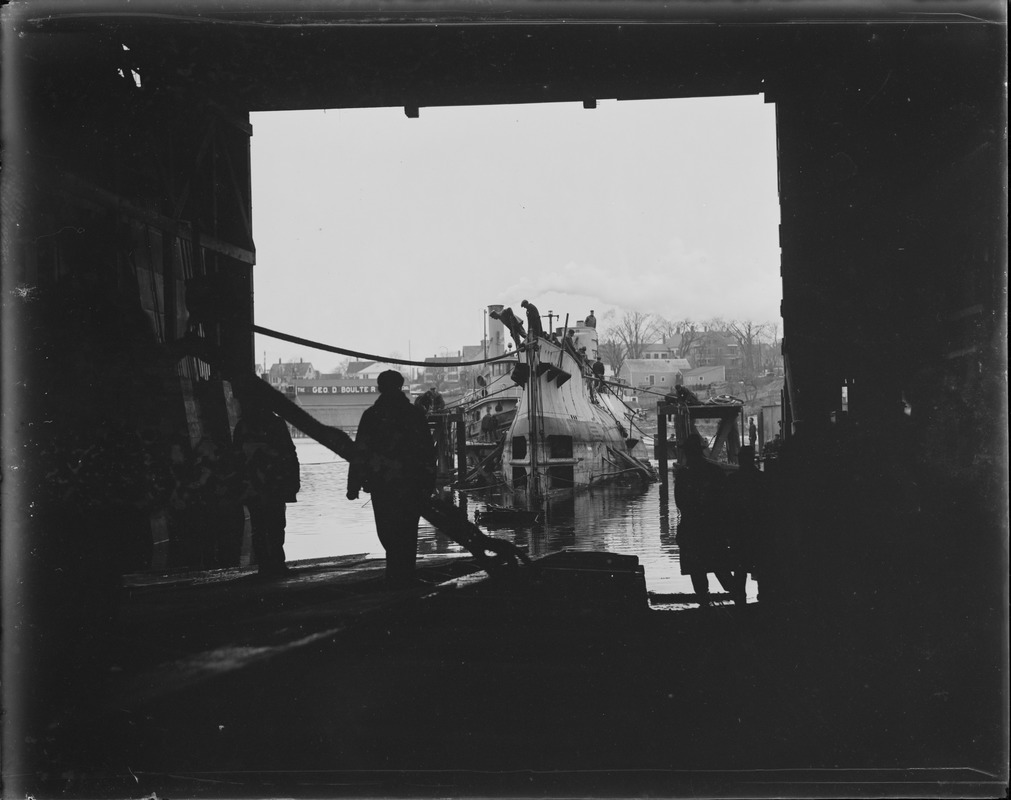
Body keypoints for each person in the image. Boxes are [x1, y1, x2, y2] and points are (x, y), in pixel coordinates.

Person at [347, 370, 436, 588]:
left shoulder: (371, 415)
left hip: (382, 485)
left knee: (387, 530)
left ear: (379, 388)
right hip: (411, 484)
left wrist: (354, 485)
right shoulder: (414, 415)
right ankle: (405, 575)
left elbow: (360, 451)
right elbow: (427, 452)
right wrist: (429, 483)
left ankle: (394, 574)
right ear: (401, 386)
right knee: (408, 531)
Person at [233, 393, 300, 577]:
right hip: (274, 486)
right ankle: (278, 564)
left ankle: (264, 566)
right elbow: (290, 454)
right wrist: (293, 483)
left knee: (259, 527)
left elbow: (235, 459)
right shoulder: (276, 424)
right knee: (276, 525)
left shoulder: (242, 426)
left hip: (252, 486)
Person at [674, 433, 734, 607]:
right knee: (722, 569)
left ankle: (704, 607)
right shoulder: (716, 472)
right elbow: (725, 502)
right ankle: (740, 603)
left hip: (692, 530)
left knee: (697, 571)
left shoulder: (683, 475)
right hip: (714, 530)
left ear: (687, 453)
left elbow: (680, 503)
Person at [722, 445, 766, 604]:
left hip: (738, 532)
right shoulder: (762, 479)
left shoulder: (732, 480)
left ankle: (740, 602)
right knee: (761, 568)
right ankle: (763, 602)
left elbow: (726, 508)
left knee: (740, 570)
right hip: (758, 531)